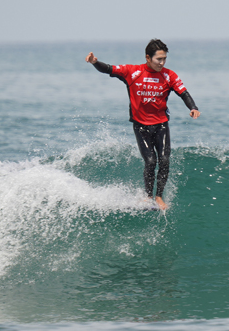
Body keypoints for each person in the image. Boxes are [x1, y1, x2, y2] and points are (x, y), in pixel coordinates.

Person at [86, 39, 200, 210]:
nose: (162, 63)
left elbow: (183, 93)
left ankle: (159, 196)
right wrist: (95, 62)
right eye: (158, 59)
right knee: (151, 160)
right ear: (148, 57)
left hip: (161, 124)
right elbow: (109, 69)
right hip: (141, 126)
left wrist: (193, 107)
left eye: (164, 59)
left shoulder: (169, 75)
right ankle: (147, 196)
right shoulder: (132, 72)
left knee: (164, 160)